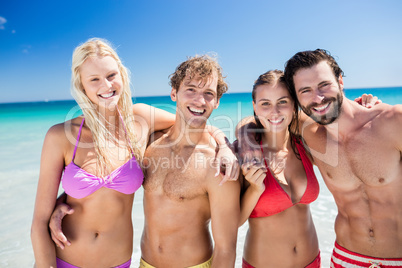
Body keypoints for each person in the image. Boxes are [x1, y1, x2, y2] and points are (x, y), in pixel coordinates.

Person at [31, 39, 237, 268]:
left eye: (111, 75)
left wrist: (224, 144)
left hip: (120, 262)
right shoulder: (60, 135)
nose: (106, 86)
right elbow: (39, 222)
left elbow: (193, 120)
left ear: (122, 75)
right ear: (82, 85)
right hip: (65, 259)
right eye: (94, 79)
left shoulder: (139, 120)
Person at [239, 49, 402, 267]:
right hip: (346, 258)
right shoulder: (311, 135)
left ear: (340, 81)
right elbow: (261, 117)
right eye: (305, 90)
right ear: (297, 99)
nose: (318, 98)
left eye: (324, 85)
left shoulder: (393, 122)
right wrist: (245, 141)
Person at [139, 55, 240, 267]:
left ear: (217, 101)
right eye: (191, 89)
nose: (199, 101)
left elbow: (226, 248)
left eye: (208, 94)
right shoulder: (150, 144)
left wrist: (224, 146)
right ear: (174, 93)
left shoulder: (218, 164)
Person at [238, 70, 321, 268]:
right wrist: (255, 189)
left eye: (282, 101)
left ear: (294, 104)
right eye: (265, 103)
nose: (274, 112)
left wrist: (365, 107)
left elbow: (343, 133)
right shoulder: (244, 155)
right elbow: (232, 224)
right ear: (254, 107)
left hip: (312, 262)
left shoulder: (306, 145)